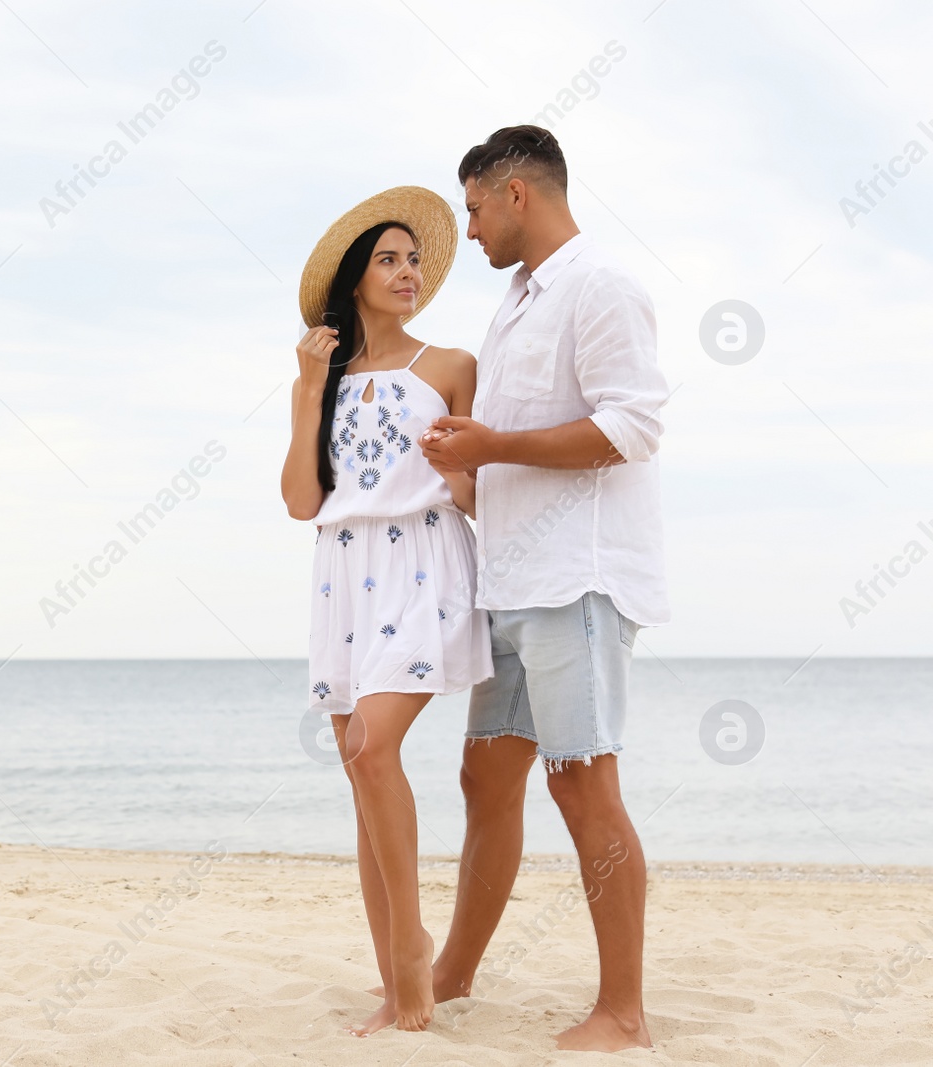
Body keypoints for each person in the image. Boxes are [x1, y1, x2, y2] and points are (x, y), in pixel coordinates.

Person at [420, 125, 670, 1053]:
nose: (471, 231)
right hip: (512, 578)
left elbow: (633, 428)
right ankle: (453, 972)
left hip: (582, 580)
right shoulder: (517, 301)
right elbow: (512, 453)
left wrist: (491, 445)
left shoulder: (600, 283)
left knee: (583, 784)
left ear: (516, 193)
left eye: (476, 209)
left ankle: (624, 1012)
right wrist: (460, 467)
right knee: (484, 775)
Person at [282, 186, 492, 1035]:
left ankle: (414, 961)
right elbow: (301, 499)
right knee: (360, 774)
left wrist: (460, 460)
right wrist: (305, 390)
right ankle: (392, 973)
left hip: (422, 560)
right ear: (355, 280)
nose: (408, 274)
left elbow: (475, 492)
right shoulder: (321, 379)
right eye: (389, 260)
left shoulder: (448, 366)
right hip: (341, 569)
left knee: (372, 750)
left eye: (413, 260)